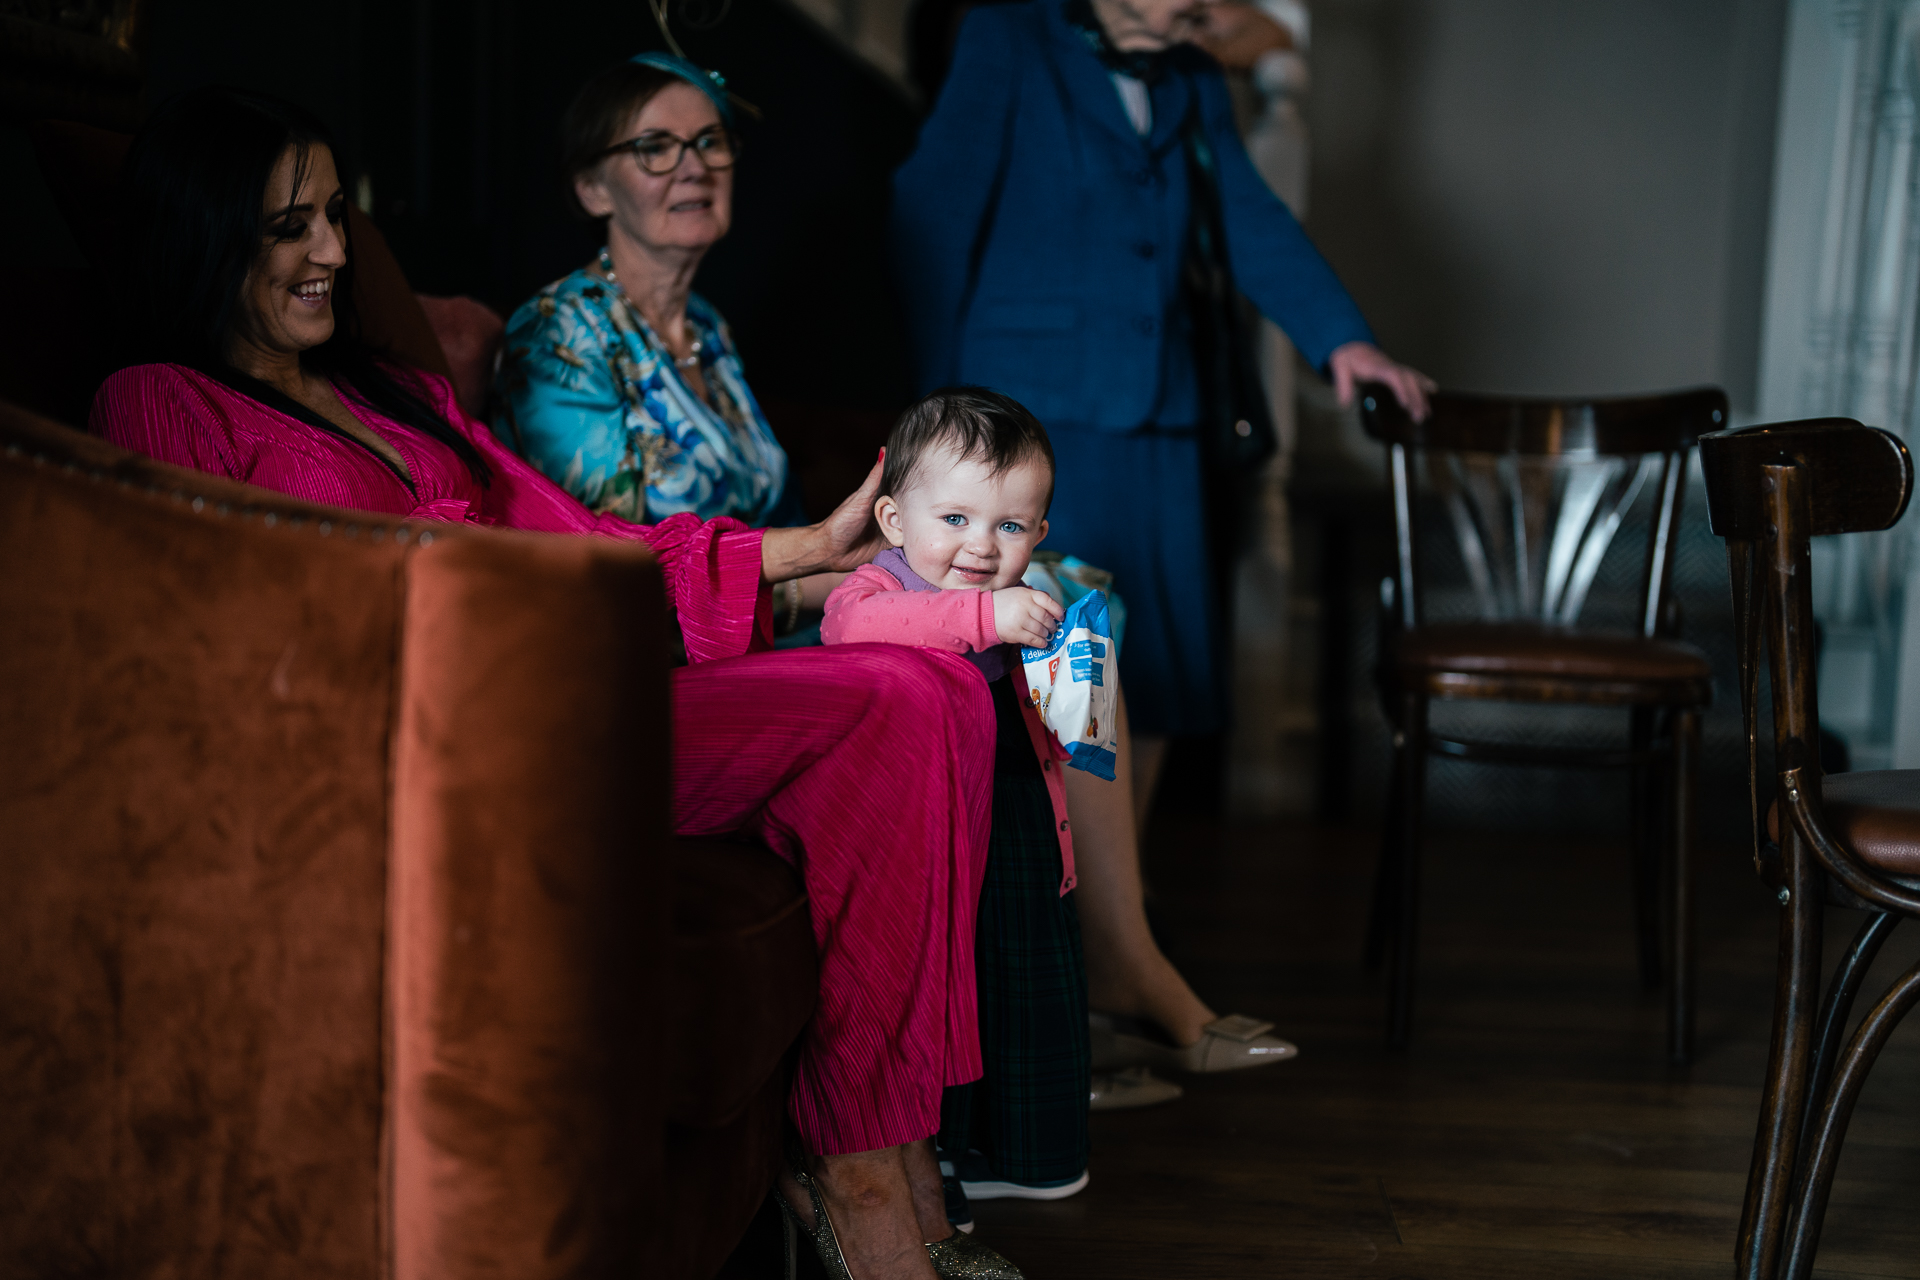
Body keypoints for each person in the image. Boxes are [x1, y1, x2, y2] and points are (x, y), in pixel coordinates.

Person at [89, 85, 1018, 1280]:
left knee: (928, 679)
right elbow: (243, 635)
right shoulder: (160, 403)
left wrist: (808, 547)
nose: (331, 251)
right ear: (205, 231)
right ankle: (868, 1189)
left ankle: (871, 1146)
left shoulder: (399, 394)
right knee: (894, 695)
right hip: (441, 743)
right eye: (287, 227)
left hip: (574, 692)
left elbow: (571, 539)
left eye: (334, 216)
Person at [891, 0, 1434, 812]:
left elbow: (1249, 215)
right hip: (1034, 419)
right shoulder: (1008, 35)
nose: (1201, 9)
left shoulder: (1191, 68)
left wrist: (1342, 341)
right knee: (1053, 664)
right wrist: (934, 416)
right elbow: (933, 214)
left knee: (1166, 670)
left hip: (1165, 412)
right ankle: (1053, 901)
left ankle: (1123, 897)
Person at [822, 388, 1093, 1214]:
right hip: (924, 847)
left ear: (1038, 532)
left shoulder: (1023, 594)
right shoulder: (875, 589)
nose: (980, 547)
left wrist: (1071, 677)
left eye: (1010, 527)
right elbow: (851, 629)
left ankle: (1017, 1152)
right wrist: (986, 614)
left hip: (1010, 819)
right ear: (896, 520)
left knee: (1022, 984)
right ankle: (938, 1154)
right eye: (956, 520)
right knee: (945, 998)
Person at [492, 54, 822, 618]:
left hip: (769, 626)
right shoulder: (556, 331)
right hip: (643, 649)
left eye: (709, 141)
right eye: (655, 147)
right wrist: (834, 583)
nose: (694, 168)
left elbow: (783, 516)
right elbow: (617, 564)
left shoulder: (707, 325)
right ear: (593, 189)